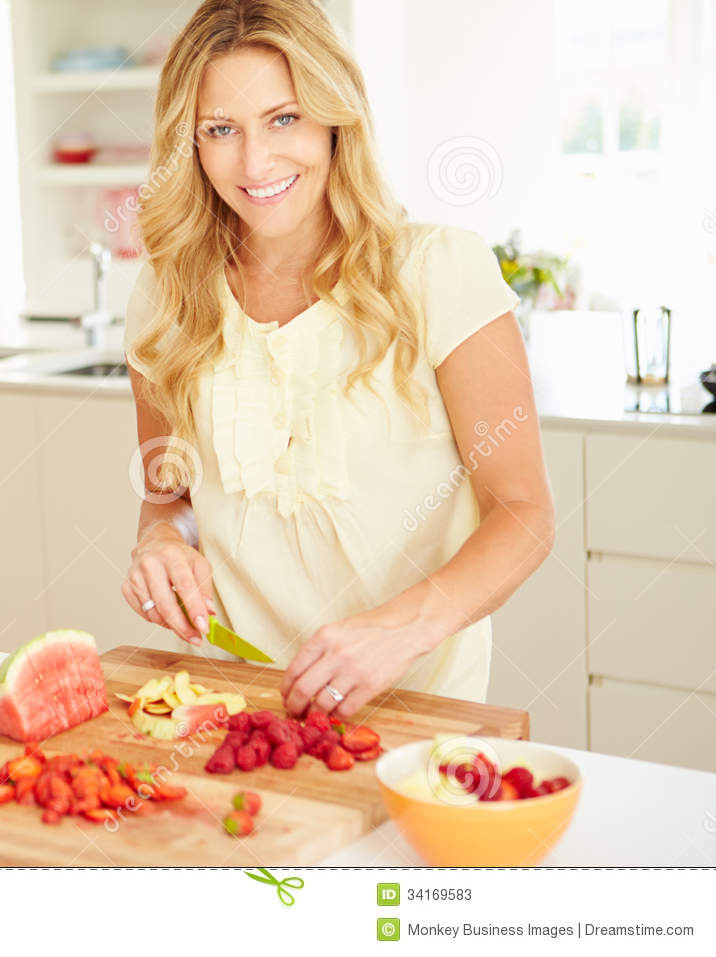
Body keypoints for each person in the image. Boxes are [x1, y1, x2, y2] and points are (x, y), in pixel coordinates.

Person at [121, 0, 555, 720]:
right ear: (189, 144)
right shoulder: (166, 296)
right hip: (235, 707)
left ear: (333, 117)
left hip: (416, 713)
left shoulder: (439, 271)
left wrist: (399, 630)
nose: (256, 162)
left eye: (283, 118)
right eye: (221, 130)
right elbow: (172, 492)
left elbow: (525, 514)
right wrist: (161, 539)